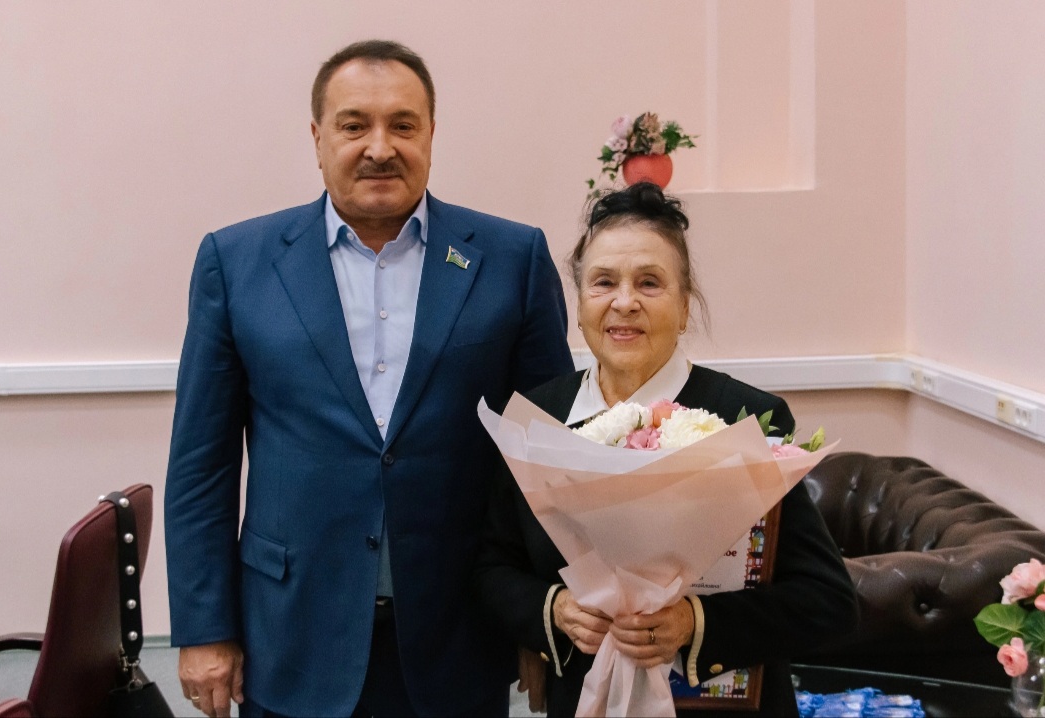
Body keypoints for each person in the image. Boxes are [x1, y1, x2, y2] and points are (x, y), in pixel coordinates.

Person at [164, 39, 574, 718]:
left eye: (402, 125)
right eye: (354, 125)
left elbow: (548, 456)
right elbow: (200, 466)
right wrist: (205, 626)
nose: (380, 148)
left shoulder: (512, 258)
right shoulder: (236, 263)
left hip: (459, 632)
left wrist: (539, 614)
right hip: (291, 633)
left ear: (432, 134)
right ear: (318, 138)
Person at [475, 182, 858, 716]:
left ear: (683, 308)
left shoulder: (746, 418)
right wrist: (555, 610)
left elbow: (828, 601)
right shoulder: (536, 421)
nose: (624, 302)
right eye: (603, 282)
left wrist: (695, 624)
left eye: (649, 283)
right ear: (579, 306)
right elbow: (492, 568)